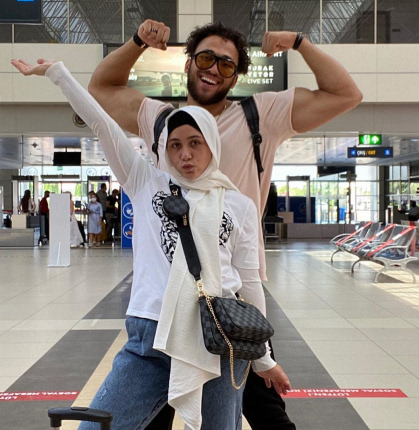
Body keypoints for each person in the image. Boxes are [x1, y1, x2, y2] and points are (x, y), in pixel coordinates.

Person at [85, 19, 363, 430]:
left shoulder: (262, 115)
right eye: (205, 58)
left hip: (232, 298)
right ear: (188, 64)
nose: (214, 69)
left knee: (264, 411)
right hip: (170, 294)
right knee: (153, 415)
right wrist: (138, 42)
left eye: (227, 64)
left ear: (236, 76)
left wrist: (299, 42)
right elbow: (100, 89)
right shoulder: (159, 118)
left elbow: (347, 94)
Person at [11, 57, 291, 430]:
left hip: (219, 339)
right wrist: (58, 74)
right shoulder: (145, 181)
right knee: (97, 425)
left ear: (212, 145)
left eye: (195, 143)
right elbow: (102, 124)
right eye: (175, 145)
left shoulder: (238, 204)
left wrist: (264, 358)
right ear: (164, 149)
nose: (185, 154)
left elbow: (249, 281)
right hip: (151, 337)